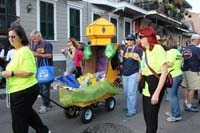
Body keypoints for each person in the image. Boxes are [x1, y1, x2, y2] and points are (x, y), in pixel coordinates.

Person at [1, 26, 50, 133]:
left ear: (21, 37)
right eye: (9, 37)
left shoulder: (25, 51)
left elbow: (29, 71)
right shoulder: (17, 52)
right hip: (17, 90)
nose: (10, 39)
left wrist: (11, 73)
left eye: (13, 36)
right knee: (27, 114)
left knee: (19, 121)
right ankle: (44, 131)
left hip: (24, 91)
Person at [138, 27, 168, 133]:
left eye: (141, 37)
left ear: (148, 37)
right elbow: (143, 66)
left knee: (151, 120)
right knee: (147, 117)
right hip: (146, 86)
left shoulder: (158, 49)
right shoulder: (145, 50)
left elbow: (164, 73)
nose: (139, 39)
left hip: (155, 85)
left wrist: (157, 93)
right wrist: (140, 74)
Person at [30, 30, 53, 114]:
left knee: (44, 87)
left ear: (39, 36)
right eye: (32, 40)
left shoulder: (47, 44)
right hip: (40, 68)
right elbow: (33, 54)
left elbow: (50, 55)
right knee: (42, 87)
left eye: (35, 39)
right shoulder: (36, 45)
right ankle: (48, 103)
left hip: (46, 68)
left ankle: (45, 105)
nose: (34, 41)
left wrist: (38, 54)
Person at [122, 33, 142, 117]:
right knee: (126, 92)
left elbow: (142, 63)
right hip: (124, 74)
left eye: (131, 40)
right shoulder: (125, 49)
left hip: (133, 73)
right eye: (128, 40)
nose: (129, 41)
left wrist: (139, 74)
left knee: (131, 92)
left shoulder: (138, 50)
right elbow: (123, 61)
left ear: (134, 41)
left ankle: (132, 110)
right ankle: (129, 106)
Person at [165, 38, 183, 122]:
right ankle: (173, 111)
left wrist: (162, 63)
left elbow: (170, 63)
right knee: (174, 95)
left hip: (172, 75)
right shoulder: (177, 52)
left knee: (172, 96)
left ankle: (176, 115)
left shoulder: (170, 52)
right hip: (178, 74)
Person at [182, 34, 200, 112]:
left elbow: (183, 59)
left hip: (185, 69)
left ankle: (186, 101)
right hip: (193, 70)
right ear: (197, 40)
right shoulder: (197, 49)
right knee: (192, 88)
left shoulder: (186, 48)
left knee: (187, 87)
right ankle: (189, 105)